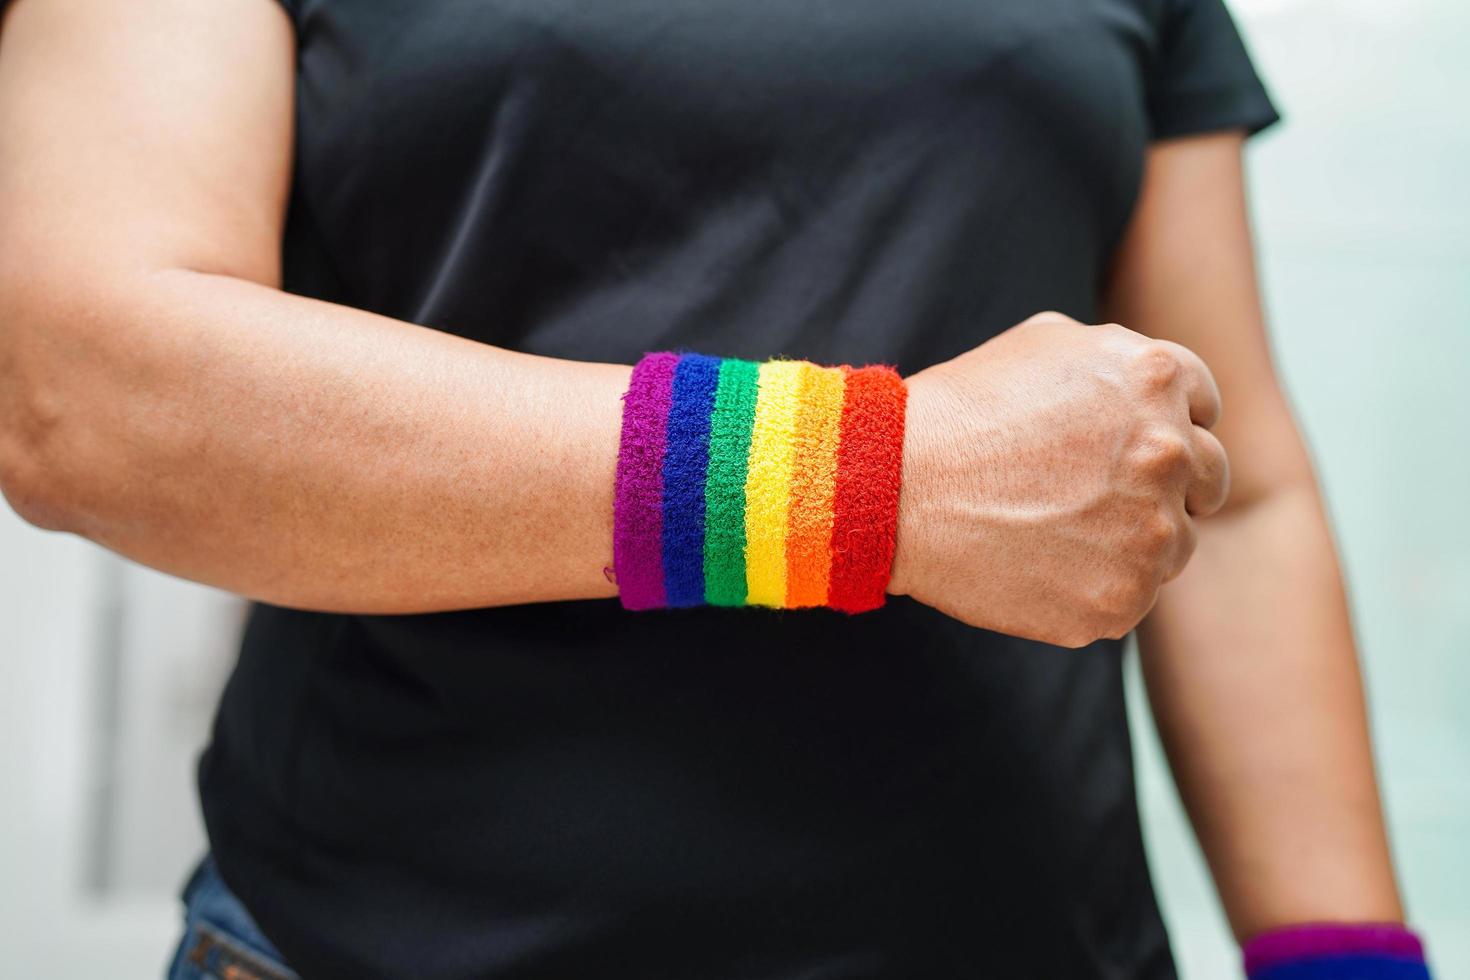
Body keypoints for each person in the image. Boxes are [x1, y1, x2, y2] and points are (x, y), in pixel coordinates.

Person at [0, 0, 1425, 977]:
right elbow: (83, 390)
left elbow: (1227, 493)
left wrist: (1344, 957)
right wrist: (868, 482)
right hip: (393, 939)